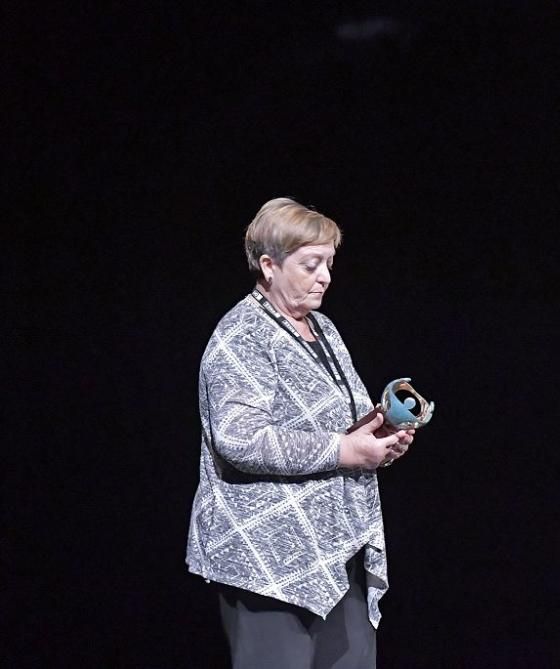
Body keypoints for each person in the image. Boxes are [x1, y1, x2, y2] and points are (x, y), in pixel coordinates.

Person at [186, 197, 415, 669]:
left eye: (329, 263)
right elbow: (241, 439)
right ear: (268, 266)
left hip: (338, 551)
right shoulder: (241, 335)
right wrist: (344, 450)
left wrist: (378, 438)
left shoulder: (324, 329)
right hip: (270, 560)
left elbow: (343, 424)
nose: (326, 276)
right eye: (311, 264)